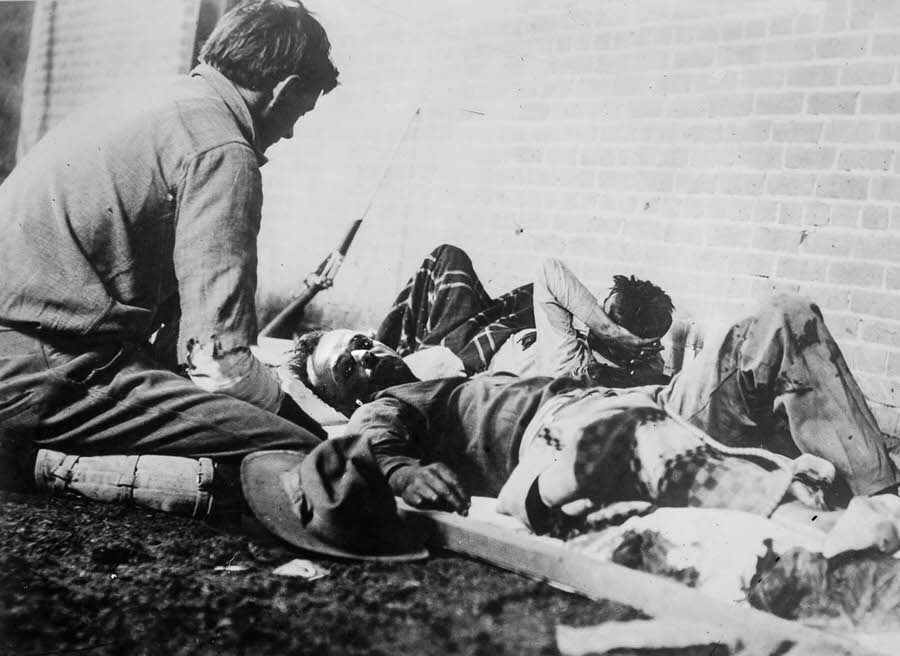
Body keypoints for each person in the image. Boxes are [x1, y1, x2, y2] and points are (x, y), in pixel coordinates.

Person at [0, 0, 356, 546]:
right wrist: (306, 426)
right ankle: (37, 466)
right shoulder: (221, 148)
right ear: (282, 91)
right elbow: (220, 362)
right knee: (310, 462)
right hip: (42, 372)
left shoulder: (155, 100)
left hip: (31, 350)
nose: (288, 135)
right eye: (298, 116)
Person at [290, 295, 900, 527]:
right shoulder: (393, 403)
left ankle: (885, 496)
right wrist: (400, 472)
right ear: (350, 397)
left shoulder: (449, 367)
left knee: (783, 319)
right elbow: (368, 434)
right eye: (349, 369)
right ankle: (827, 526)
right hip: (567, 431)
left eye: (361, 343)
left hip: (646, 403)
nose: (368, 359)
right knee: (621, 438)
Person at [296, 244, 673, 416]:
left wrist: (604, 329)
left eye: (362, 345)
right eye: (349, 364)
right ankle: (395, 345)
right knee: (449, 259)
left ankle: (399, 347)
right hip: (484, 335)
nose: (596, 322)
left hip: (459, 351)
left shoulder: (571, 360)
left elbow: (550, 270)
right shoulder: (605, 357)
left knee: (447, 259)